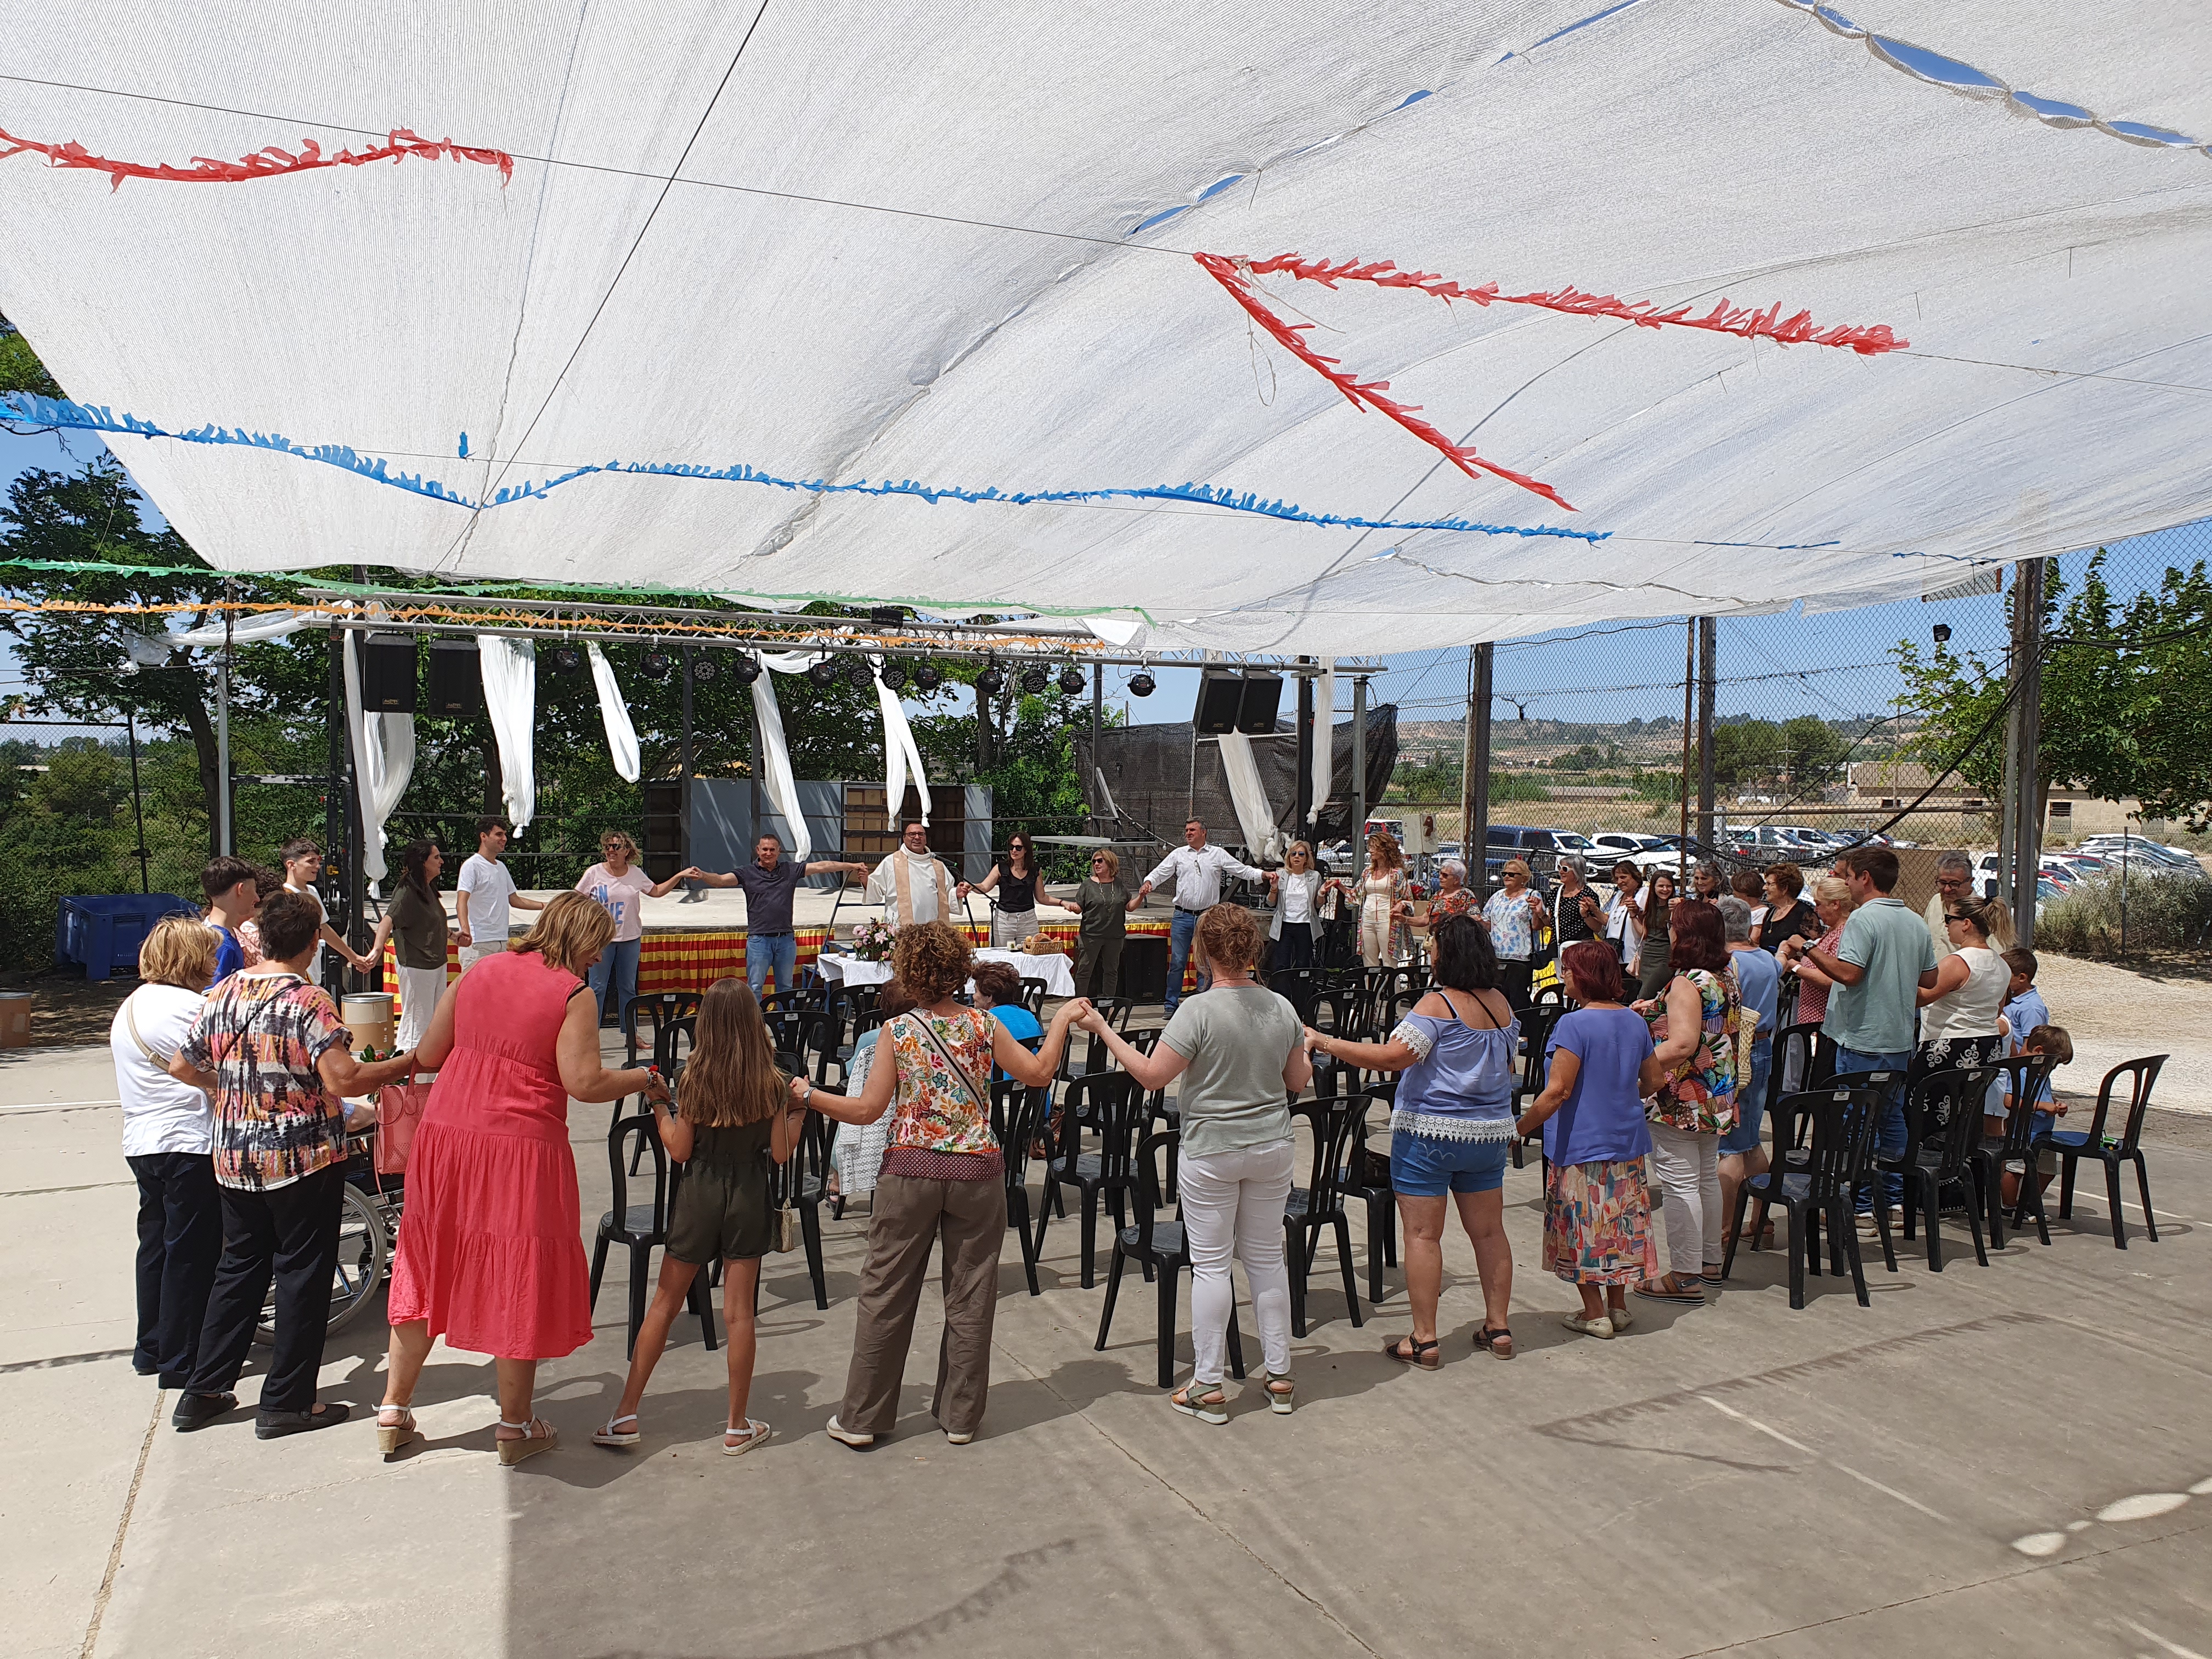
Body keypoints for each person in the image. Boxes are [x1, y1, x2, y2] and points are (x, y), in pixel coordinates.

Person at [376, 893, 670, 1465]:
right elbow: (583, 1082)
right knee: (517, 1272)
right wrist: (643, 1076)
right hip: (519, 1147)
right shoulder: (573, 993)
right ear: (581, 940)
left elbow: (432, 1053)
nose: (597, 958)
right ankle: (514, 1426)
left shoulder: (479, 972)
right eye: (597, 946)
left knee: (427, 1260)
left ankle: (393, 1409)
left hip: (446, 1137)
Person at [802, 921, 1081, 1447]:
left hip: (910, 1170)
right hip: (977, 1171)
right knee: (972, 1294)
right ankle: (960, 1416)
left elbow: (866, 1110)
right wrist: (1064, 1016)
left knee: (885, 1292)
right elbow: (1041, 1073)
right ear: (959, 969)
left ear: (908, 972)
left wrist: (808, 1095)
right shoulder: (984, 1024)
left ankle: (862, 1417)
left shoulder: (898, 1031)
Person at [165, 891, 415, 1439]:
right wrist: (405, 1064)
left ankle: (204, 1390)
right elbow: (343, 1078)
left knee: (238, 1269)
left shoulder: (225, 991)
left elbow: (184, 1064)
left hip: (233, 1157)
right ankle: (286, 1401)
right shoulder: (308, 1000)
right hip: (301, 1159)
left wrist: (231, 1091)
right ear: (308, 944)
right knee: (302, 1275)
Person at [1079, 904, 1308, 1421]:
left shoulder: (1198, 1011)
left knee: (1211, 1265)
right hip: (1272, 1144)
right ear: (1253, 949)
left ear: (1204, 952)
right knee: (1267, 1260)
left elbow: (1153, 1076)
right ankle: (1280, 1375)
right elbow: (1298, 1081)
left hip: (1212, 1150)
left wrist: (1102, 1029)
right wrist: (1306, 1046)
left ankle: (1208, 1383)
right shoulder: (1281, 1007)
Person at [594, 978, 800, 1457]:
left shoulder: (694, 1078)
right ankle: (736, 1425)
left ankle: (626, 1413)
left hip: (698, 1195)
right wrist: (797, 1116)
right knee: (739, 1313)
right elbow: (778, 1154)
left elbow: (681, 1149)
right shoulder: (770, 1082)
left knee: (664, 1304)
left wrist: (660, 1105)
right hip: (749, 1193)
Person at [1304, 914, 1517, 1365]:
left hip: (1430, 1134)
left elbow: (1393, 1057)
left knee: (1423, 1235)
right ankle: (1498, 1326)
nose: (1430, 952)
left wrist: (1325, 1041)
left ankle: (1424, 1338)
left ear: (1449, 953)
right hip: (1489, 1134)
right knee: (1490, 1232)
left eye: (1435, 945)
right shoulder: (1501, 1002)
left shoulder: (1438, 1004)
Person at [1777, 846, 1937, 1225]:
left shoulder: (1864, 921)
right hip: (1897, 1039)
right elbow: (1929, 978)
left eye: (1849, 876)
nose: (1846, 883)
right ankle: (1893, 1201)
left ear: (1864, 878)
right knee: (1891, 1116)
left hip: (1861, 1038)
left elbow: (1848, 974)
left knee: (1855, 1120)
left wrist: (1808, 948)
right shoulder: (1914, 921)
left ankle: (1862, 1206)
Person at [1515, 940, 1663, 1339]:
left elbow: (1558, 1090)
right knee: (1619, 1224)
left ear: (1581, 976)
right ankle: (1618, 1305)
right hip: (1626, 1140)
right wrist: (1617, 1092)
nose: (1563, 977)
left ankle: (1593, 1310)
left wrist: (1519, 1129)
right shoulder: (1634, 1022)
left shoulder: (1573, 1024)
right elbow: (1654, 1080)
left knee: (1581, 1224)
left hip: (1580, 1143)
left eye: (1567, 970)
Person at [112, 916, 222, 1392]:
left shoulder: (133, 1004)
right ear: (192, 959)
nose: (216, 963)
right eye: (210, 954)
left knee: (156, 1246)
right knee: (192, 1254)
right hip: (187, 1140)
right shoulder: (188, 1007)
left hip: (143, 1141)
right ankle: (183, 1358)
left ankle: (152, 1345)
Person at [1635, 899, 1739, 1305]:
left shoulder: (1686, 981)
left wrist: (1636, 1066)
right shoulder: (1724, 976)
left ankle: (1684, 1274)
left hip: (1683, 1095)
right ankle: (1709, 1261)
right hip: (1717, 1093)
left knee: (1680, 1185)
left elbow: (1681, 1043)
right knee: (1704, 1178)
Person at [683, 834, 867, 1001]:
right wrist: (703, 875)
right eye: (765, 849)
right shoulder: (747, 873)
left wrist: (851, 866)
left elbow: (822, 866)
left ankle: (784, 1026)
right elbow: (721, 880)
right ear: (758, 850)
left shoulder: (790, 870)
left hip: (786, 940)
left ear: (779, 851)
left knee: (785, 988)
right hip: (759, 940)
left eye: (772, 849)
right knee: (755, 987)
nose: (768, 853)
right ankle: (754, 1027)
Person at [1136, 819, 1272, 1013]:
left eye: (1192, 830)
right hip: (1183, 916)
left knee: (1206, 962)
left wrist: (1263, 875)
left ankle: (1204, 1003)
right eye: (1186, 830)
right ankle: (1171, 1004)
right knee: (1177, 962)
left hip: (1208, 918)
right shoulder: (1179, 854)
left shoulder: (1217, 854)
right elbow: (1159, 873)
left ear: (1204, 832)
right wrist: (1149, 883)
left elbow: (1240, 870)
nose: (1188, 833)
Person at [1717, 896, 1780, 1249]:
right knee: (1751, 1137)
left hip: (1740, 1050)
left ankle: (1726, 1227)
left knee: (1730, 1145)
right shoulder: (1767, 959)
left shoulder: (1732, 964)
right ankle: (1760, 1218)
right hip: (1763, 1047)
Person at [575, 830, 685, 1025]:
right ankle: (591, 1034)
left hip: (629, 938)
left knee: (628, 988)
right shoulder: (594, 873)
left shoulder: (635, 873)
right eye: (607, 847)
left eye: (616, 847)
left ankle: (631, 1034)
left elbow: (656, 891)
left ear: (627, 850)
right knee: (597, 988)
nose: (611, 851)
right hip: (601, 940)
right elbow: (577, 899)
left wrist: (680, 876)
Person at [828, 979, 918, 1204]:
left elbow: (852, 1072)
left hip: (872, 1115)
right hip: (910, 1112)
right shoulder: (923, 1035)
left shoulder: (869, 1039)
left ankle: (837, 1183)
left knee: (847, 1122)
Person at [1912, 895, 2007, 1079]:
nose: (1946, 925)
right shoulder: (2001, 964)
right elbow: (1997, 1010)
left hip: (1952, 1045)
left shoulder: (1959, 962)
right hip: (1988, 1046)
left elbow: (1921, 997)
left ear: (1966, 924)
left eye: (1950, 919)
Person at [273, 838, 377, 986]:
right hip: (293, 975)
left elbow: (324, 929)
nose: (317, 866)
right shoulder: (284, 898)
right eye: (311, 861)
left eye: (318, 860)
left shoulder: (313, 891)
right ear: (291, 865)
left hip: (314, 972)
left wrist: (353, 957)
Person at [1996, 1023, 2073, 1206]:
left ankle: (2029, 1204)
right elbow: (2010, 1101)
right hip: (2023, 1134)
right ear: (2039, 1052)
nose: (2054, 1068)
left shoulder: (2043, 1074)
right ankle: (2008, 1205)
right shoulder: (2022, 1073)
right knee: (2016, 1169)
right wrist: (2042, 1107)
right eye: (2055, 1063)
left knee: (2047, 1171)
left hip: (2043, 1135)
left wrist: (2056, 1104)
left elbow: (2045, 1095)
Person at [454, 817, 545, 970]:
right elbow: (461, 901)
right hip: (479, 943)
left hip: (501, 941)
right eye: (499, 834)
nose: (504, 839)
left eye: (504, 835)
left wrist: (546, 906)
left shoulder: (501, 867)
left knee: (496, 992)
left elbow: (515, 900)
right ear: (484, 836)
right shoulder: (472, 866)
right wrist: (465, 931)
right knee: (475, 991)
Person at [1049, 847, 1140, 998]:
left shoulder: (1119, 884)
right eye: (1094, 862)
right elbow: (1080, 908)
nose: (1096, 864)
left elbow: (1129, 906)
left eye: (1100, 861)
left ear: (1110, 863)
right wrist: (1072, 907)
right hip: (1091, 935)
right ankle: (1079, 1002)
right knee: (1085, 970)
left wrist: (1141, 896)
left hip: (1115, 936)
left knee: (1111, 971)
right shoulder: (1088, 885)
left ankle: (1109, 1003)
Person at [387, 839, 452, 1052]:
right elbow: (388, 920)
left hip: (436, 962)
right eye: (436, 857)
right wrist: (375, 952)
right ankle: (410, 1068)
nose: (441, 862)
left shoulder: (428, 888)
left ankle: (427, 1071)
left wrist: (453, 935)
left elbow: (432, 921)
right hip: (417, 965)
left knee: (434, 1018)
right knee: (417, 1020)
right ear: (423, 862)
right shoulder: (406, 891)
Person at [865, 820, 961, 929]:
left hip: (933, 932)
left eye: (921, 834)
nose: (917, 837)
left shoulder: (938, 866)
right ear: (904, 838)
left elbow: (946, 894)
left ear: (925, 839)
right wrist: (865, 881)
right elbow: (876, 890)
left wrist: (957, 893)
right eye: (912, 834)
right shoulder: (892, 862)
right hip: (902, 930)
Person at [1481, 857, 1548, 1009]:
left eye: (1512, 874)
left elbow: (1537, 926)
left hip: (1520, 957)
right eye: (1505, 873)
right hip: (1497, 955)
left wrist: (1536, 913)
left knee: (1517, 998)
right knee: (1496, 996)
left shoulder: (1532, 896)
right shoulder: (1497, 896)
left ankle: (1522, 1030)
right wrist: (1477, 920)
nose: (1506, 877)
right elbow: (1488, 924)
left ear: (1523, 878)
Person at [961, 832, 1048, 948]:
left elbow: (1042, 897)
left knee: (1029, 956)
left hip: (1028, 920)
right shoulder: (1001, 867)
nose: (1014, 851)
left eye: (1018, 848)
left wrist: (1063, 903)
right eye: (1011, 847)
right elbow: (984, 887)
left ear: (1026, 850)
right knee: (1001, 956)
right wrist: (971, 886)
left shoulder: (1035, 870)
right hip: (1004, 921)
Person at [1344, 830, 1410, 969]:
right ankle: (1371, 991)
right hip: (1367, 920)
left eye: (1375, 847)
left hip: (1387, 920)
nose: (1371, 851)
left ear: (1385, 850)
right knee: (1369, 963)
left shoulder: (1396, 874)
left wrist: (1401, 906)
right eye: (1370, 847)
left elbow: (1407, 898)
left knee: (1389, 963)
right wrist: (1339, 886)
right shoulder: (1367, 872)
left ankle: (1393, 990)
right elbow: (1355, 895)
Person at [1267, 840, 1330, 970]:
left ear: (1306, 858)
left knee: (1303, 964)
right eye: (1293, 854)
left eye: (1301, 854)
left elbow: (1318, 905)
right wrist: (1273, 889)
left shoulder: (1314, 876)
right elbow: (1271, 902)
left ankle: (1301, 989)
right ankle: (1281, 989)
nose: (1297, 857)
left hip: (1305, 924)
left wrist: (1322, 894)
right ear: (1289, 857)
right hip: (1284, 925)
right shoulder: (1281, 874)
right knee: (1281, 964)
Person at [970, 961, 1041, 1073]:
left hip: (997, 1088)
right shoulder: (1030, 1017)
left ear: (989, 997)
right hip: (1033, 1088)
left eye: (976, 991)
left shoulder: (983, 1021)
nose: (973, 997)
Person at [199, 855, 260, 984]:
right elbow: (213, 994)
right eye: (254, 890)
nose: (257, 898)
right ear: (241, 889)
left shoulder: (211, 932)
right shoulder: (220, 943)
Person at [1634, 869, 1677, 1001]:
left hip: (1664, 958)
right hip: (1647, 956)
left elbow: (1676, 936)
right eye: (1661, 886)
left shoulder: (1675, 906)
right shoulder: (1651, 907)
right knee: (1641, 993)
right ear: (1653, 888)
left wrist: (1675, 912)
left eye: (1669, 886)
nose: (1665, 889)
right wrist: (1633, 915)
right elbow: (1645, 934)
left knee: (1645, 995)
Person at [1760, 863, 1819, 958]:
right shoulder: (1771, 913)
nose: (1765, 888)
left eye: (1770, 884)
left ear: (1784, 888)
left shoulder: (1804, 913)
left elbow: (1816, 949)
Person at [1927, 851, 1976, 961]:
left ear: (1971, 882)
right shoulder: (1936, 902)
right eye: (1943, 883)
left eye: (1954, 884)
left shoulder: (1981, 911)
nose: (1947, 889)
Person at [1604, 861, 1646, 978]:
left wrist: (1636, 911)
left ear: (1635, 876)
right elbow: (1610, 922)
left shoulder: (1644, 894)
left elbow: (1645, 919)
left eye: (1623, 877)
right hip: (1615, 954)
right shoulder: (1618, 896)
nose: (1619, 882)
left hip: (1631, 955)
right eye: (1617, 879)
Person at [1552, 857, 1604, 948]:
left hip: (1580, 946)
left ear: (1577, 872)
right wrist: (1540, 913)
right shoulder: (1555, 893)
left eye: (1565, 869)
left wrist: (1585, 915)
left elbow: (1597, 927)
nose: (1561, 872)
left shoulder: (1588, 894)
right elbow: (1552, 922)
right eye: (1559, 867)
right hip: (1558, 945)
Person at [1731, 867, 1768, 948]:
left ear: (1745, 896)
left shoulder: (1761, 913)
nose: (1733, 898)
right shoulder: (1736, 908)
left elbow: (1754, 940)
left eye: (1735, 896)